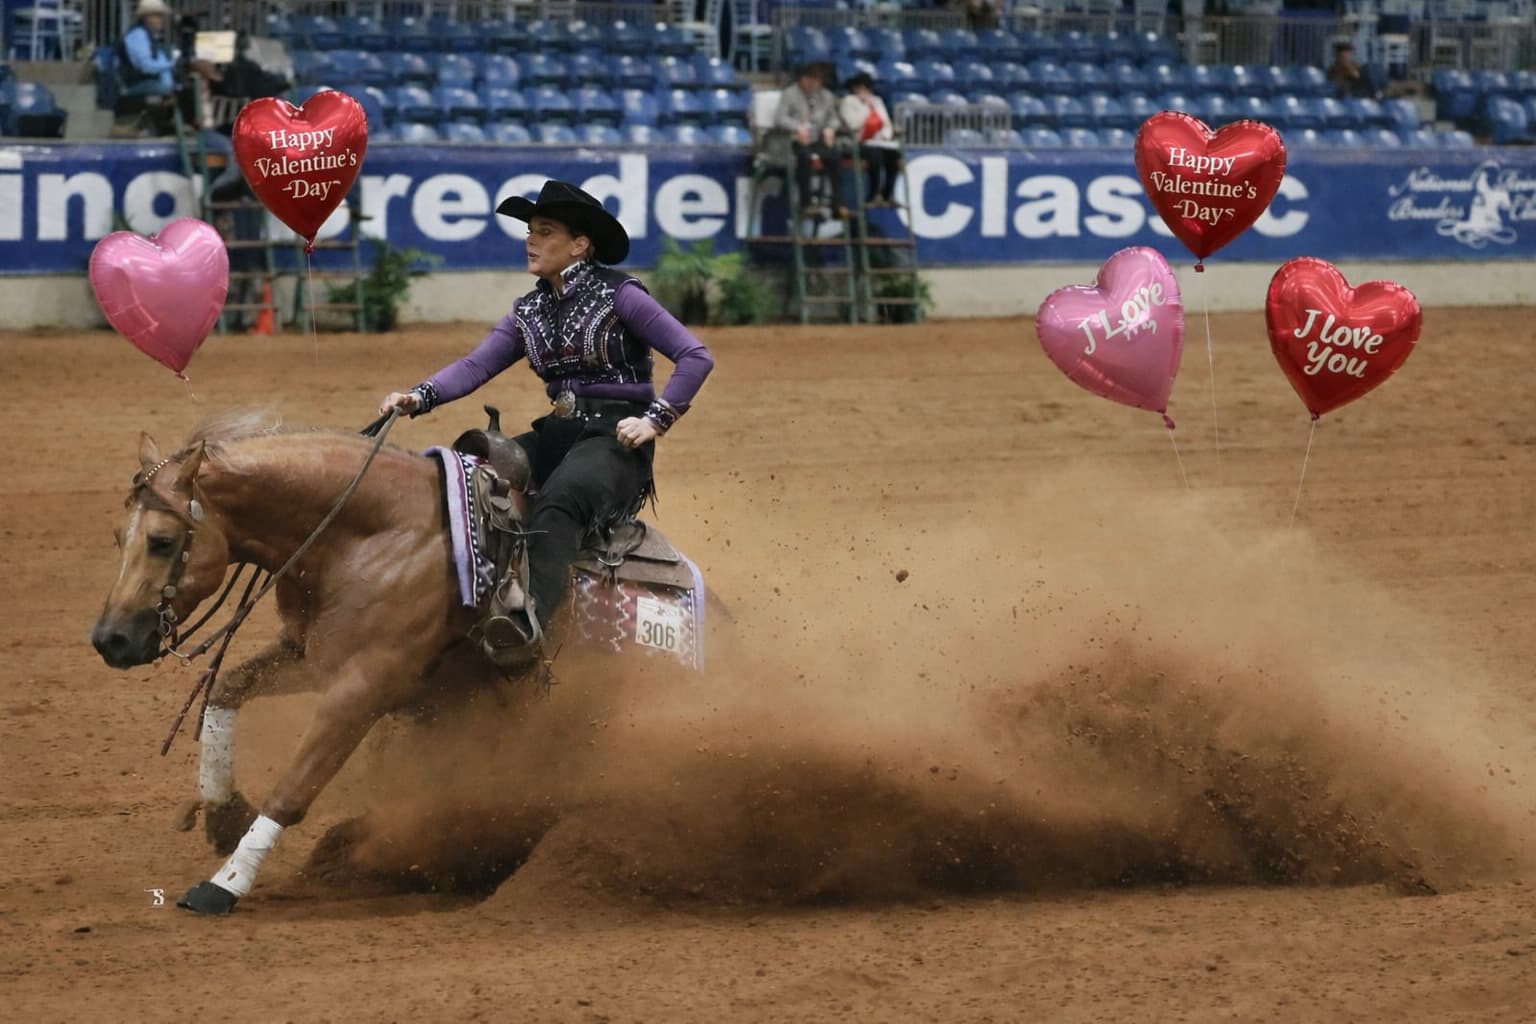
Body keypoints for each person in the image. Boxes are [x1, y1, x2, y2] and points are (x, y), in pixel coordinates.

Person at [379, 180, 714, 660]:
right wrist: (418, 396)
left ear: (580, 244)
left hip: (616, 440)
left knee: (559, 501)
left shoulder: (621, 294)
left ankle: (525, 626)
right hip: (557, 433)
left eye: (546, 231)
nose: (531, 241)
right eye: (530, 231)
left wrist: (655, 421)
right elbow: (476, 366)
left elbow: (695, 356)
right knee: (464, 473)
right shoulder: (529, 309)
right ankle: (450, 599)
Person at [773, 64, 847, 218]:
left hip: (818, 138)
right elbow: (780, 118)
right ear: (803, 79)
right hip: (795, 140)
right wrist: (797, 127)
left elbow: (834, 118)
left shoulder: (826, 95)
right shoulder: (789, 94)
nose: (815, 84)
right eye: (812, 80)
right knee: (804, 158)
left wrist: (830, 128)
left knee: (834, 157)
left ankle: (837, 203)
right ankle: (806, 204)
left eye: (818, 81)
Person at [839, 72, 901, 207]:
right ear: (854, 88)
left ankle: (887, 194)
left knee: (894, 156)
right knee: (875, 155)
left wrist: (885, 135)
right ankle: (873, 195)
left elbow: (886, 123)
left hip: (878, 141)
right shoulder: (848, 101)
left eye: (866, 88)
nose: (864, 91)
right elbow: (853, 124)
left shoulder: (877, 101)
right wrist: (867, 108)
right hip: (857, 142)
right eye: (860, 88)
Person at [116, 0, 177, 100]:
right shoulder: (138, 35)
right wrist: (171, 64)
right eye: (158, 16)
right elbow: (146, 66)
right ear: (147, 17)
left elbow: (160, 62)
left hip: (147, 81)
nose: (162, 19)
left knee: (179, 87)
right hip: (134, 84)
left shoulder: (150, 36)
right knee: (169, 89)